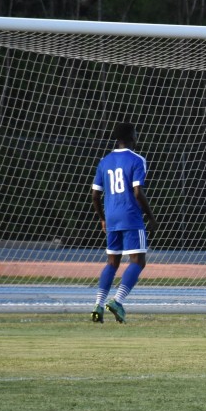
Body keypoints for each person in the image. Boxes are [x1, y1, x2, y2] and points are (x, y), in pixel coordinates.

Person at [91, 121, 159, 324]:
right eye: (136, 133)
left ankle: (98, 305)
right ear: (131, 137)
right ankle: (118, 301)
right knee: (138, 261)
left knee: (112, 262)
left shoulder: (105, 161)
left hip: (111, 217)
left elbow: (95, 195)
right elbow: (138, 191)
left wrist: (103, 218)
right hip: (130, 216)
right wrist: (151, 216)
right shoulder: (137, 160)